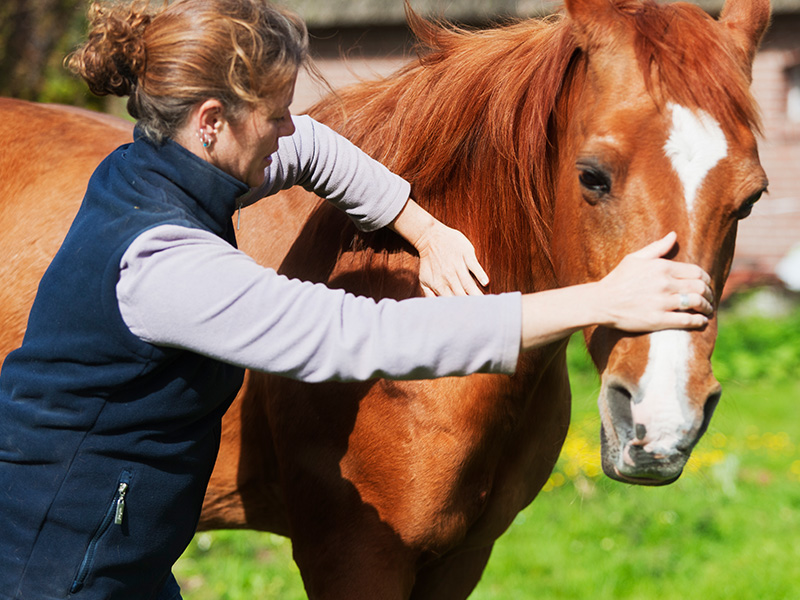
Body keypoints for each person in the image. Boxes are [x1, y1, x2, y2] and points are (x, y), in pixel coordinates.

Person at [0, 0, 714, 598]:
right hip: (60, 561)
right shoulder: (165, 266)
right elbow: (357, 336)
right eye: (276, 112)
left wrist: (423, 227)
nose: (291, 126)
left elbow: (310, 148)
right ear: (212, 122)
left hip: (126, 545)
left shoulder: (164, 164)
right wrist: (595, 300)